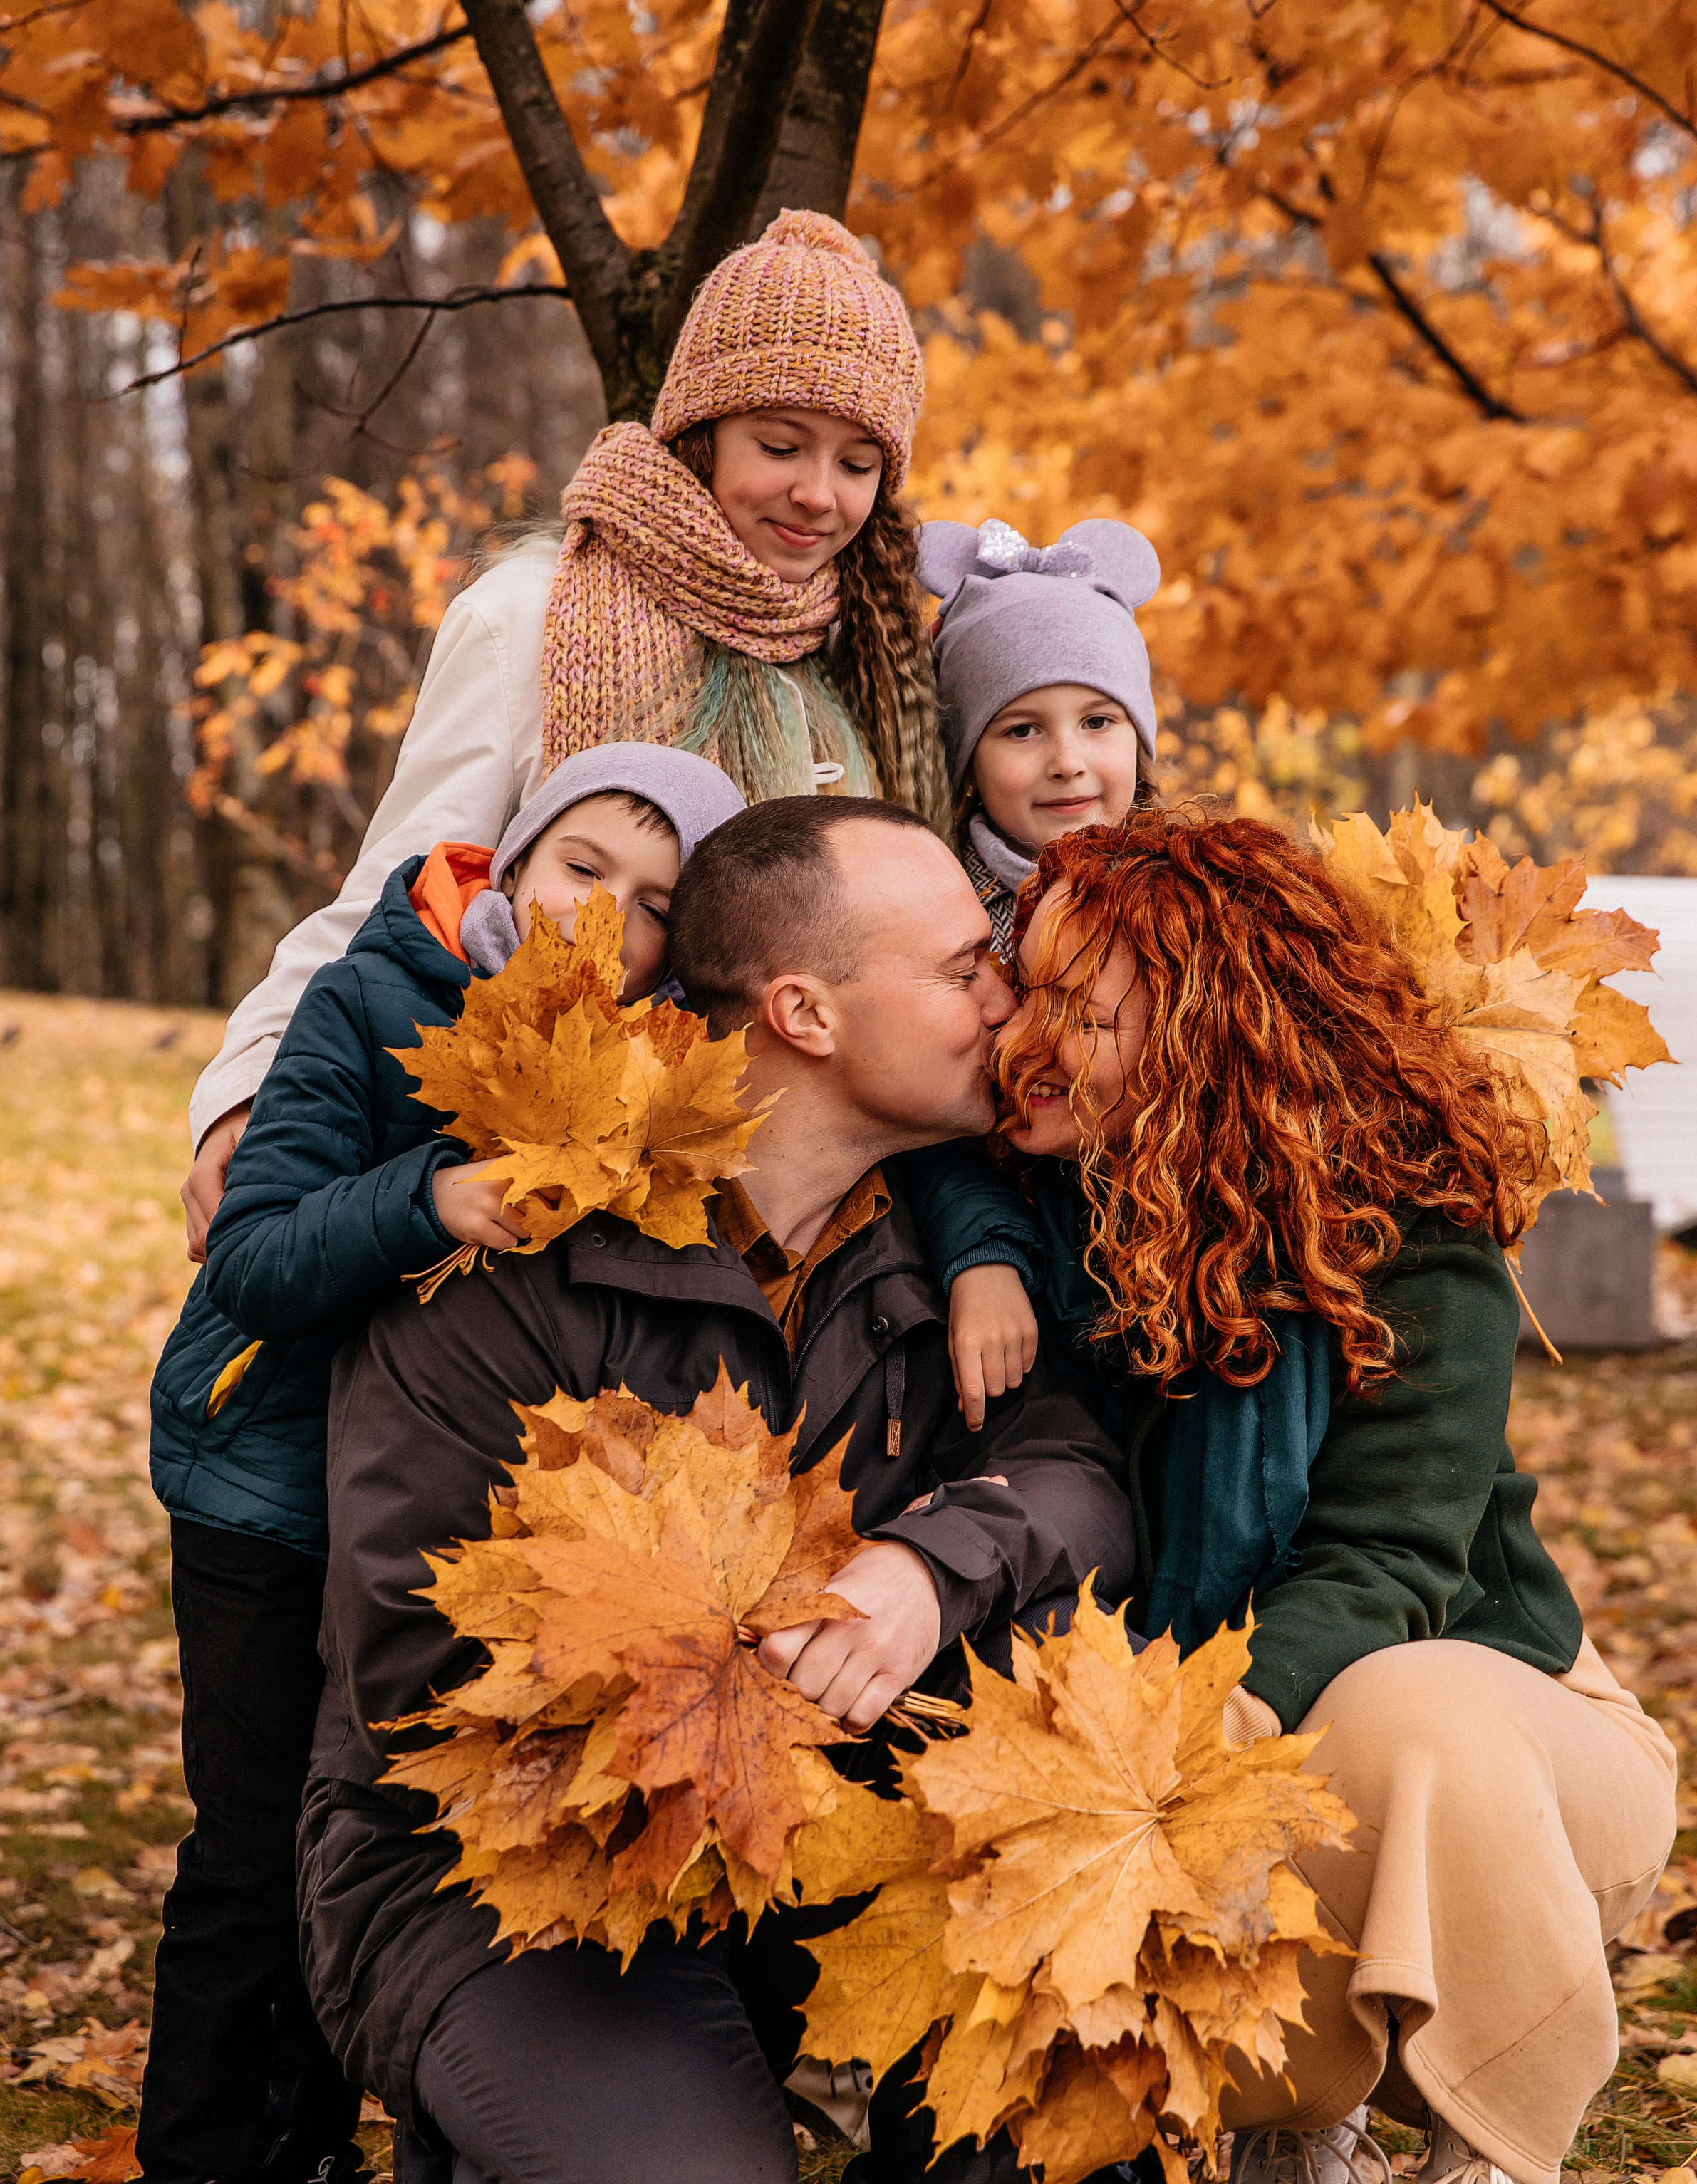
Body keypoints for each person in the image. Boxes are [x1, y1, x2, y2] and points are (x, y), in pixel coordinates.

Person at [295, 798, 1134, 2183]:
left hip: (836, 1833)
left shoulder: (936, 1252)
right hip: (506, 1862)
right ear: (804, 1012)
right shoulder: (531, 1228)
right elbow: (414, 1644)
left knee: (1064, 2041)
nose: (1008, 1000)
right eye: (962, 968)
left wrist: (926, 1570)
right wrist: (768, 1658)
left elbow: (1076, 1476)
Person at [903, 808, 1678, 2184]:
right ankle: (1291, 2104)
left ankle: (1485, 2141)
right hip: (1221, 1744)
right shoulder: (1053, 1197)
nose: (1029, 1043)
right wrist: (983, 1257)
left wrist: (1189, 1730)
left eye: (1087, 1017)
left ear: (1215, 1039)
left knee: (1401, 1708)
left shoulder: (1407, 1231)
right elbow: (933, 1156)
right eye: (1031, 994)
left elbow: (1386, 1566)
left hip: (1503, 1745)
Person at [138, 745, 743, 2184]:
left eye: (653, 903)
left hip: (442, 1518)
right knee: (251, 1848)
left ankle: (339, 2137)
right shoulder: (378, 992)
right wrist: (430, 1196)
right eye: (581, 867)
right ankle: (207, 2151)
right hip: (272, 1490)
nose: (601, 916)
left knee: (380, 1831)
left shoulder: (661, 1079)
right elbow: (253, 1254)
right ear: (516, 860)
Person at [181, 209, 948, 1259]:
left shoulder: (867, 662)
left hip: (794, 1217)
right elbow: (403, 892)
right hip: (541, 1192)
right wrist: (244, 1091)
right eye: (779, 446)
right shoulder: (532, 614)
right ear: (700, 431)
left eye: (858, 464)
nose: (818, 495)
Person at [920, 514, 1159, 960]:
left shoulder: (1195, 907)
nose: (1067, 764)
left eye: (1097, 722)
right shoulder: (932, 914)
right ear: (967, 760)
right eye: (1022, 730)